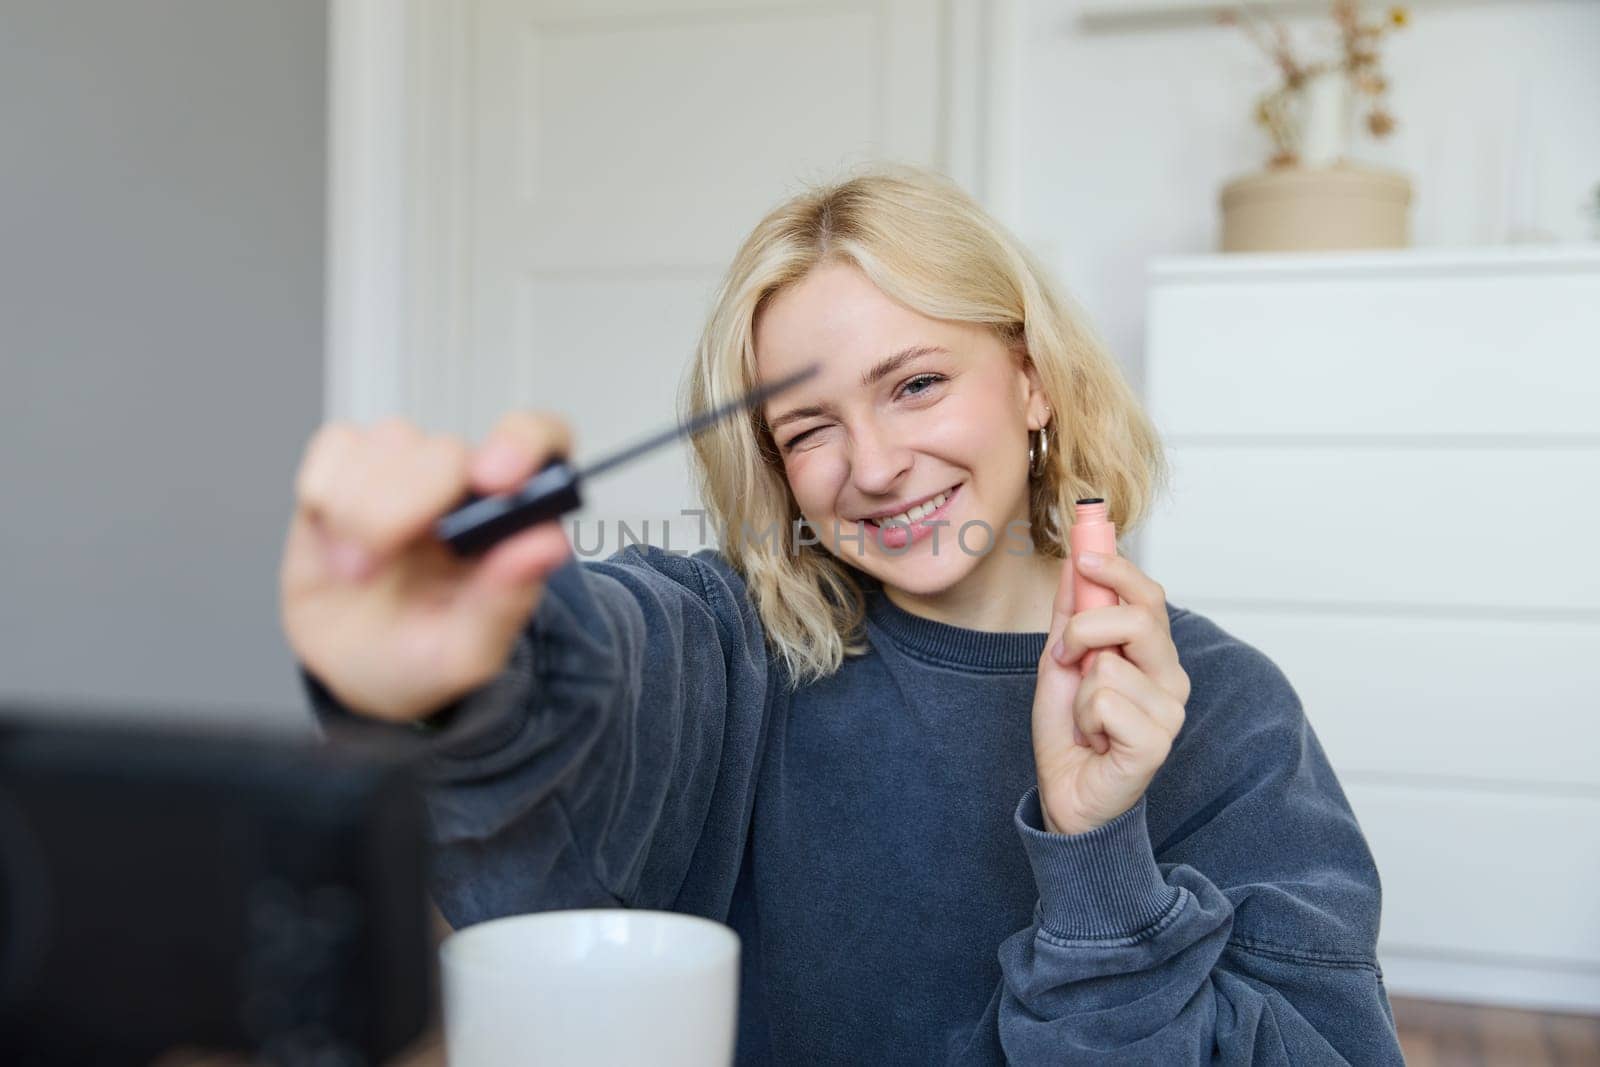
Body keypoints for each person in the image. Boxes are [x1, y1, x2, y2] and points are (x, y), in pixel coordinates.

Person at [281, 165, 1405, 1064]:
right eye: (808, 427)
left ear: (1032, 379)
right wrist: (466, 670)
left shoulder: (1232, 713)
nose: (871, 465)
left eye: (915, 382)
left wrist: (1099, 860)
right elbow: (595, 670)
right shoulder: (735, 644)